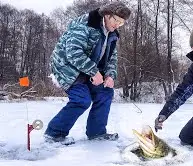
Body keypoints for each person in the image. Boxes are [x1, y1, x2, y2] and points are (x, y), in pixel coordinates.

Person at [44, 2, 131, 144]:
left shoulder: (112, 34)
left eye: (121, 23)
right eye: (116, 20)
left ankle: (96, 133)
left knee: (105, 92)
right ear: (107, 15)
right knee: (81, 99)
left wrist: (110, 75)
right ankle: (54, 134)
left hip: (88, 69)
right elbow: (73, 52)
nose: (117, 25)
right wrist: (94, 72)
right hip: (66, 67)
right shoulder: (85, 25)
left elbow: (112, 58)